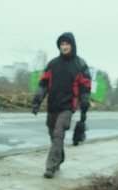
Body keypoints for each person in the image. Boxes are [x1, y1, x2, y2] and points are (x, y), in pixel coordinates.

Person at [32, 32, 92, 178]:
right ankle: (59, 156)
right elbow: (43, 84)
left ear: (72, 45)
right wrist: (37, 101)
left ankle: (50, 167)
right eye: (62, 44)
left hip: (68, 107)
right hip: (52, 105)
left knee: (59, 134)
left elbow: (85, 86)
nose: (64, 46)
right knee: (53, 135)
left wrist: (84, 104)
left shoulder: (80, 64)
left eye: (67, 43)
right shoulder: (53, 64)